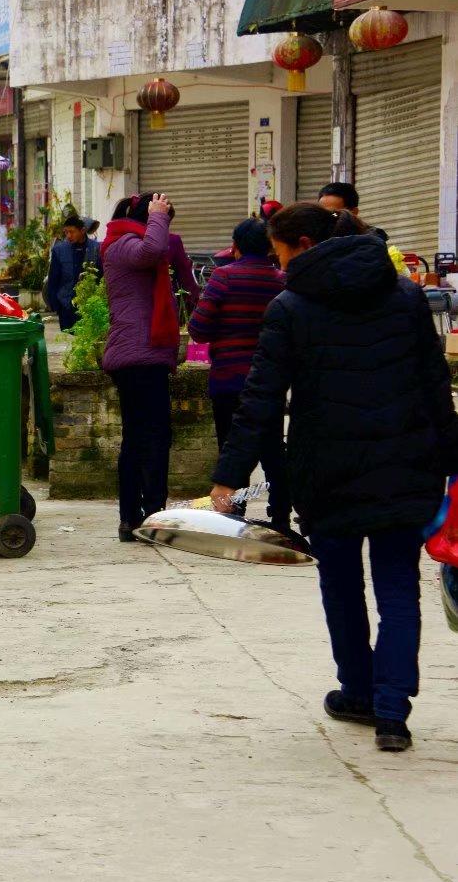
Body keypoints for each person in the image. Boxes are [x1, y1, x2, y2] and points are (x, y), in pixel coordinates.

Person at [209, 203, 458, 753]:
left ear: (300, 244)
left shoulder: (292, 307)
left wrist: (228, 479)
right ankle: (393, 712)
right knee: (397, 587)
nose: (276, 265)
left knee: (341, 584)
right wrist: (452, 459)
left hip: (328, 468)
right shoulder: (408, 296)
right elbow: (435, 384)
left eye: (277, 253)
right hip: (406, 465)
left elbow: (261, 401)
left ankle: (358, 692)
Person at [102, 192, 198, 541]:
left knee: (144, 438)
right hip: (138, 356)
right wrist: (158, 216)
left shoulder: (137, 243)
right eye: (159, 217)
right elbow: (153, 251)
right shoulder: (122, 244)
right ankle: (145, 517)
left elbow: (178, 268)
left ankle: (137, 517)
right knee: (150, 438)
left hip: (145, 355)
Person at [188, 218, 290, 529]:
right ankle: (281, 514)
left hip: (228, 379)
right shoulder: (281, 281)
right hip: (270, 380)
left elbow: (198, 328)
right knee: (273, 448)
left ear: (235, 248)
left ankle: (235, 512)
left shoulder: (223, 278)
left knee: (232, 446)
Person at [318, 181, 409, 276]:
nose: (325, 218)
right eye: (320, 213)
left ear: (353, 212)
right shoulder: (312, 238)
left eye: (334, 214)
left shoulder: (369, 243)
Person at [44, 212, 103, 331]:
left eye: (72, 232)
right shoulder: (59, 250)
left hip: (91, 305)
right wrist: (56, 305)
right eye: (66, 232)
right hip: (66, 306)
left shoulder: (97, 248)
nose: (68, 236)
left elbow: (101, 276)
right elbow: (53, 279)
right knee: (69, 339)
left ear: (82, 231)